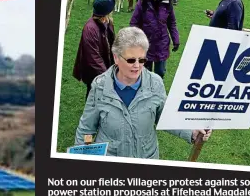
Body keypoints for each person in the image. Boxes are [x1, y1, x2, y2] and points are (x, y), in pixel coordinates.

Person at [75, 27, 212, 159]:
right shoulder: (100, 86)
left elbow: (164, 117)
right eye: (131, 60)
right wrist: (85, 152)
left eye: (142, 60)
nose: (137, 65)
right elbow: (87, 129)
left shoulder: (156, 83)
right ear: (116, 58)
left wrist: (192, 132)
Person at [130, 0, 180, 78]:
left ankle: (157, 92)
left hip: (161, 43)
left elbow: (172, 22)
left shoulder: (166, 2)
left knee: (160, 72)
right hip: (145, 44)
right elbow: (133, 23)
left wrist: (176, 39)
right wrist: (135, 40)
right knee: (145, 73)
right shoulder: (142, 2)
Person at [73, 0, 116, 99]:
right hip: (93, 71)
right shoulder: (90, 29)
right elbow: (93, 58)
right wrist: (106, 76)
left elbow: (111, 41)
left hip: (105, 63)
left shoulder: (108, 21)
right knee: (92, 92)